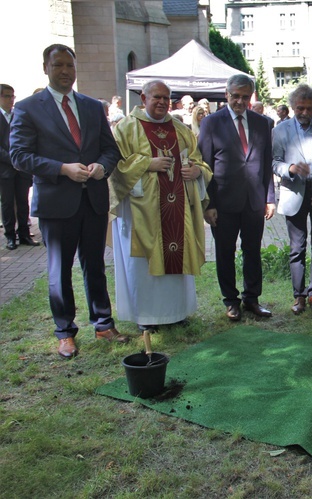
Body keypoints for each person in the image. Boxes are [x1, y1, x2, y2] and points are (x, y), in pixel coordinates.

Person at [10, 44, 128, 358]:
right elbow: (19, 156)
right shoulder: (27, 107)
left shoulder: (92, 106)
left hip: (93, 200)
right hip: (56, 202)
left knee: (95, 267)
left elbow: (110, 149)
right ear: (45, 67)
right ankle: (65, 332)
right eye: (58, 65)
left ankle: (103, 323)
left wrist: (102, 167)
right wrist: (62, 169)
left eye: (70, 66)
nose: (65, 72)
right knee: (59, 271)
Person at [109, 79, 212, 333]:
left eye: (166, 98)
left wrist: (196, 171)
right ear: (143, 99)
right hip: (141, 211)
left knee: (175, 257)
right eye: (156, 97)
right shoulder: (126, 128)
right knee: (144, 266)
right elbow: (116, 167)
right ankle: (146, 315)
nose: (162, 102)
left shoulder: (181, 129)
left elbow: (200, 162)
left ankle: (175, 312)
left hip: (178, 209)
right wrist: (147, 164)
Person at [198, 74, 276, 321]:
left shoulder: (263, 123)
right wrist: (208, 204)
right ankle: (231, 301)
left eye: (245, 96)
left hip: (254, 201)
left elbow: (266, 163)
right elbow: (204, 165)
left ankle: (252, 298)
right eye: (235, 96)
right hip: (223, 202)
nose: (240, 101)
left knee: (253, 251)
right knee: (225, 252)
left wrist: (270, 197)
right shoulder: (211, 123)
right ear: (226, 94)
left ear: (251, 96)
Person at [272, 84, 312, 315]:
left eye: (309, 108)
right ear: (292, 107)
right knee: (297, 248)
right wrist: (291, 168)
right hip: (294, 193)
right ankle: (299, 296)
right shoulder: (280, 130)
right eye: (299, 108)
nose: (304, 113)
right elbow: (275, 162)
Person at [1, 84, 38, 250]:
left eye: (13, 96)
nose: (11, 100)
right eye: (7, 96)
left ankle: (24, 233)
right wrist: (13, 160)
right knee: (8, 203)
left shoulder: (18, 115)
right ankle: (10, 236)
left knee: (23, 202)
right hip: (5, 169)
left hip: (22, 168)